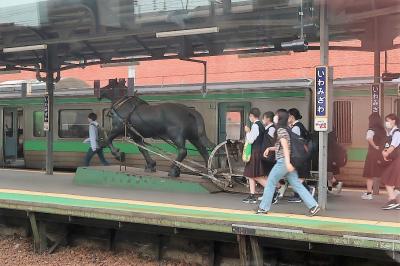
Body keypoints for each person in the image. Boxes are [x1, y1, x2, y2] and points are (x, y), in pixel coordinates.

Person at [256, 109, 320, 216]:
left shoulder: (281, 130)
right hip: (287, 162)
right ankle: (313, 205)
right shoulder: (286, 129)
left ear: (279, 118)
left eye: (276, 116)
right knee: (296, 184)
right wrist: (270, 149)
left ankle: (263, 208)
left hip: (283, 162)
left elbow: (286, 147)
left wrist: (287, 162)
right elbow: (282, 146)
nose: (274, 117)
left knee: (271, 182)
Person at [287, 108, 315, 203]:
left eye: (288, 116)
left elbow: (293, 142)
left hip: (299, 155)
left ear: (291, 117)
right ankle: (307, 191)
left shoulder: (296, 128)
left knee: (298, 176)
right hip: (302, 155)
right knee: (298, 176)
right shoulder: (298, 126)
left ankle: (299, 195)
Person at [242, 108, 267, 204]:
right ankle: (252, 195)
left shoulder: (256, 126)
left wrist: (248, 131)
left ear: (251, 116)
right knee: (251, 175)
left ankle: (273, 189)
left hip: (255, 153)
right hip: (258, 152)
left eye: (250, 116)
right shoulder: (261, 125)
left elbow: (251, 140)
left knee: (255, 175)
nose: (249, 118)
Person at [361, 113, 386, 200]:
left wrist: (374, 146)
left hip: (372, 154)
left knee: (370, 174)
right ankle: (393, 190)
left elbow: (369, 138)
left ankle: (369, 193)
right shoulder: (383, 130)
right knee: (384, 173)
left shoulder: (371, 130)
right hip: (382, 154)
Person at [380, 114, 400, 210]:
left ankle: (392, 200)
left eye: (388, 120)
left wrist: (386, 153)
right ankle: (394, 200)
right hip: (396, 159)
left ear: (394, 121)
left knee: (387, 179)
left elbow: (393, 146)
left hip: (397, 160)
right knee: (392, 180)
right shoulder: (392, 132)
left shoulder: (397, 133)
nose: (386, 123)